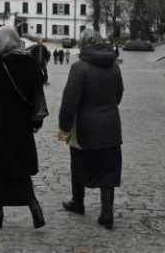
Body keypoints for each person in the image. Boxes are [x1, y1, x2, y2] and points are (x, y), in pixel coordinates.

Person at [0, 26, 46, 229]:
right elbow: (38, 97)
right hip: (23, 122)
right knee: (21, 165)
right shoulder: (33, 65)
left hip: (0, 122)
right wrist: (36, 123)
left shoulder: (0, 65)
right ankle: (34, 207)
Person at [58, 28, 123, 230]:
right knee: (109, 168)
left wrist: (65, 128)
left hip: (84, 127)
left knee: (78, 163)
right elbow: (119, 93)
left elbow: (70, 101)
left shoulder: (80, 67)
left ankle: (78, 202)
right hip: (111, 125)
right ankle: (107, 213)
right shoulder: (113, 66)